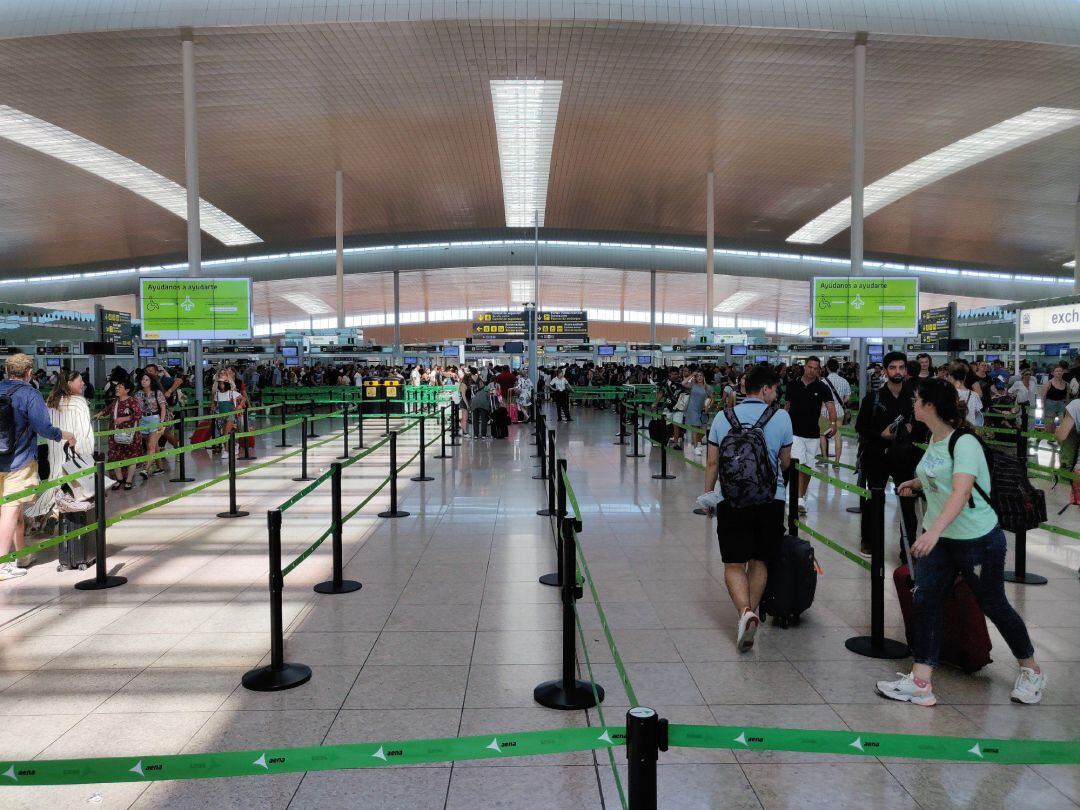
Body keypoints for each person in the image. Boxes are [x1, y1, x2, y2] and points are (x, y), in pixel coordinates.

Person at [877, 377, 1045, 707]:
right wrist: (917, 482)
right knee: (926, 601)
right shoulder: (935, 439)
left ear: (929, 407)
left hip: (977, 541)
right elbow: (940, 476)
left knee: (993, 604)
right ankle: (921, 681)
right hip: (942, 541)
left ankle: (1031, 669)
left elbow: (962, 491)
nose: (913, 405)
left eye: (917, 400)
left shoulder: (964, 442)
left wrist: (933, 531)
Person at [703, 365, 792, 651]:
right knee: (760, 560)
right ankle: (751, 612)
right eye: (774, 389)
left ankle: (745, 613)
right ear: (765, 389)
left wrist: (708, 496)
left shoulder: (722, 416)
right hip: (771, 499)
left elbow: (713, 463)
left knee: (733, 563)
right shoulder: (781, 417)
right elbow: (786, 461)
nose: (775, 394)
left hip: (732, 500)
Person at [0, 355, 76, 581]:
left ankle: (22, 555)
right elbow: (44, 428)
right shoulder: (30, 394)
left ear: (6, 371)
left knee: (13, 510)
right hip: (19, 461)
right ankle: (3, 563)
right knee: (11, 510)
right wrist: (63, 435)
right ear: (29, 373)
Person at [854, 351, 921, 556]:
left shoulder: (913, 398)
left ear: (906, 370)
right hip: (877, 455)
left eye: (901, 367)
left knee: (908, 503)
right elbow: (861, 427)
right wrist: (881, 434)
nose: (897, 371)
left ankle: (907, 548)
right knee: (873, 500)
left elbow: (925, 425)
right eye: (892, 367)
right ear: (885, 371)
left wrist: (913, 429)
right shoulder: (873, 398)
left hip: (905, 456)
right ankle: (869, 541)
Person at [24, 370, 95, 541]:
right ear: (69, 383)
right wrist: (87, 452)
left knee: (55, 481)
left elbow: (46, 426)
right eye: (80, 381)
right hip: (74, 449)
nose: (83, 384)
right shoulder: (79, 402)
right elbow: (84, 430)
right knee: (72, 487)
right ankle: (53, 515)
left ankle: (39, 514)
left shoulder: (51, 400)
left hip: (55, 450)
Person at [784, 357, 836, 516]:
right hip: (795, 433)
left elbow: (830, 406)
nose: (812, 370)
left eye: (816, 368)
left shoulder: (822, 387)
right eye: (810, 367)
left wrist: (833, 424)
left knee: (807, 468)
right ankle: (798, 499)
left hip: (813, 434)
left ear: (819, 370)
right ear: (804, 367)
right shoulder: (792, 385)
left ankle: (801, 497)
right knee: (799, 463)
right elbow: (787, 406)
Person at [106, 379, 143, 490]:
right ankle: (119, 479)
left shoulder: (132, 401)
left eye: (120, 387)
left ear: (127, 390)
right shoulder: (115, 401)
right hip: (115, 434)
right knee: (116, 456)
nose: (117, 388)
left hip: (129, 434)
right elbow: (107, 409)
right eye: (117, 387)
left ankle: (129, 480)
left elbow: (138, 414)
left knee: (131, 456)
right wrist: (100, 413)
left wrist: (124, 418)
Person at [134, 371, 169, 477]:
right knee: (154, 446)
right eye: (142, 380)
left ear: (151, 381)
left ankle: (146, 469)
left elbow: (163, 408)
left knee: (150, 445)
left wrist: (161, 422)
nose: (143, 382)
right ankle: (160, 467)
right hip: (143, 419)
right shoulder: (138, 394)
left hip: (154, 418)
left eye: (146, 380)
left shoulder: (157, 392)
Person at [820, 358, 851, 468]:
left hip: (825, 412)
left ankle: (825, 459)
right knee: (838, 436)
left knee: (823, 435)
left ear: (827, 368)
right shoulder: (844, 381)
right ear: (838, 368)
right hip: (839, 412)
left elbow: (819, 398)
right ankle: (837, 462)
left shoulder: (823, 382)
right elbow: (847, 397)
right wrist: (841, 401)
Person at [948, 360, 983, 428]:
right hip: (969, 431)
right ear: (965, 376)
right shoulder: (974, 395)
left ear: (950, 376)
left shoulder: (946, 393)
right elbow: (978, 416)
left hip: (951, 431)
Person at [684, 371, 712, 456]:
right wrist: (691, 375)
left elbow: (712, 398)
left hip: (702, 409)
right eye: (697, 376)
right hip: (692, 408)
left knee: (703, 430)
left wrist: (708, 406)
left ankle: (697, 444)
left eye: (701, 375)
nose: (699, 377)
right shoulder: (693, 385)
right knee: (695, 427)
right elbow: (683, 383)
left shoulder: (707, 387)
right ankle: (695, 447)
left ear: (703, 377)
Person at [1041, 362, 1068, 427]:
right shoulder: (1048, 383)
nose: (1059, 372)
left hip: (1061, 405)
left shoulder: (1066, 384)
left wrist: (1067, 407)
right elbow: (1043, 396)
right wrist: (1042, 408)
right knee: (1049, 426)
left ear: (1063, 372)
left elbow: (1067, 397)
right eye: (1057, 371)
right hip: (1050, 405)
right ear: (1052, 373)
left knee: (1064, 425)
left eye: (1060, 371)